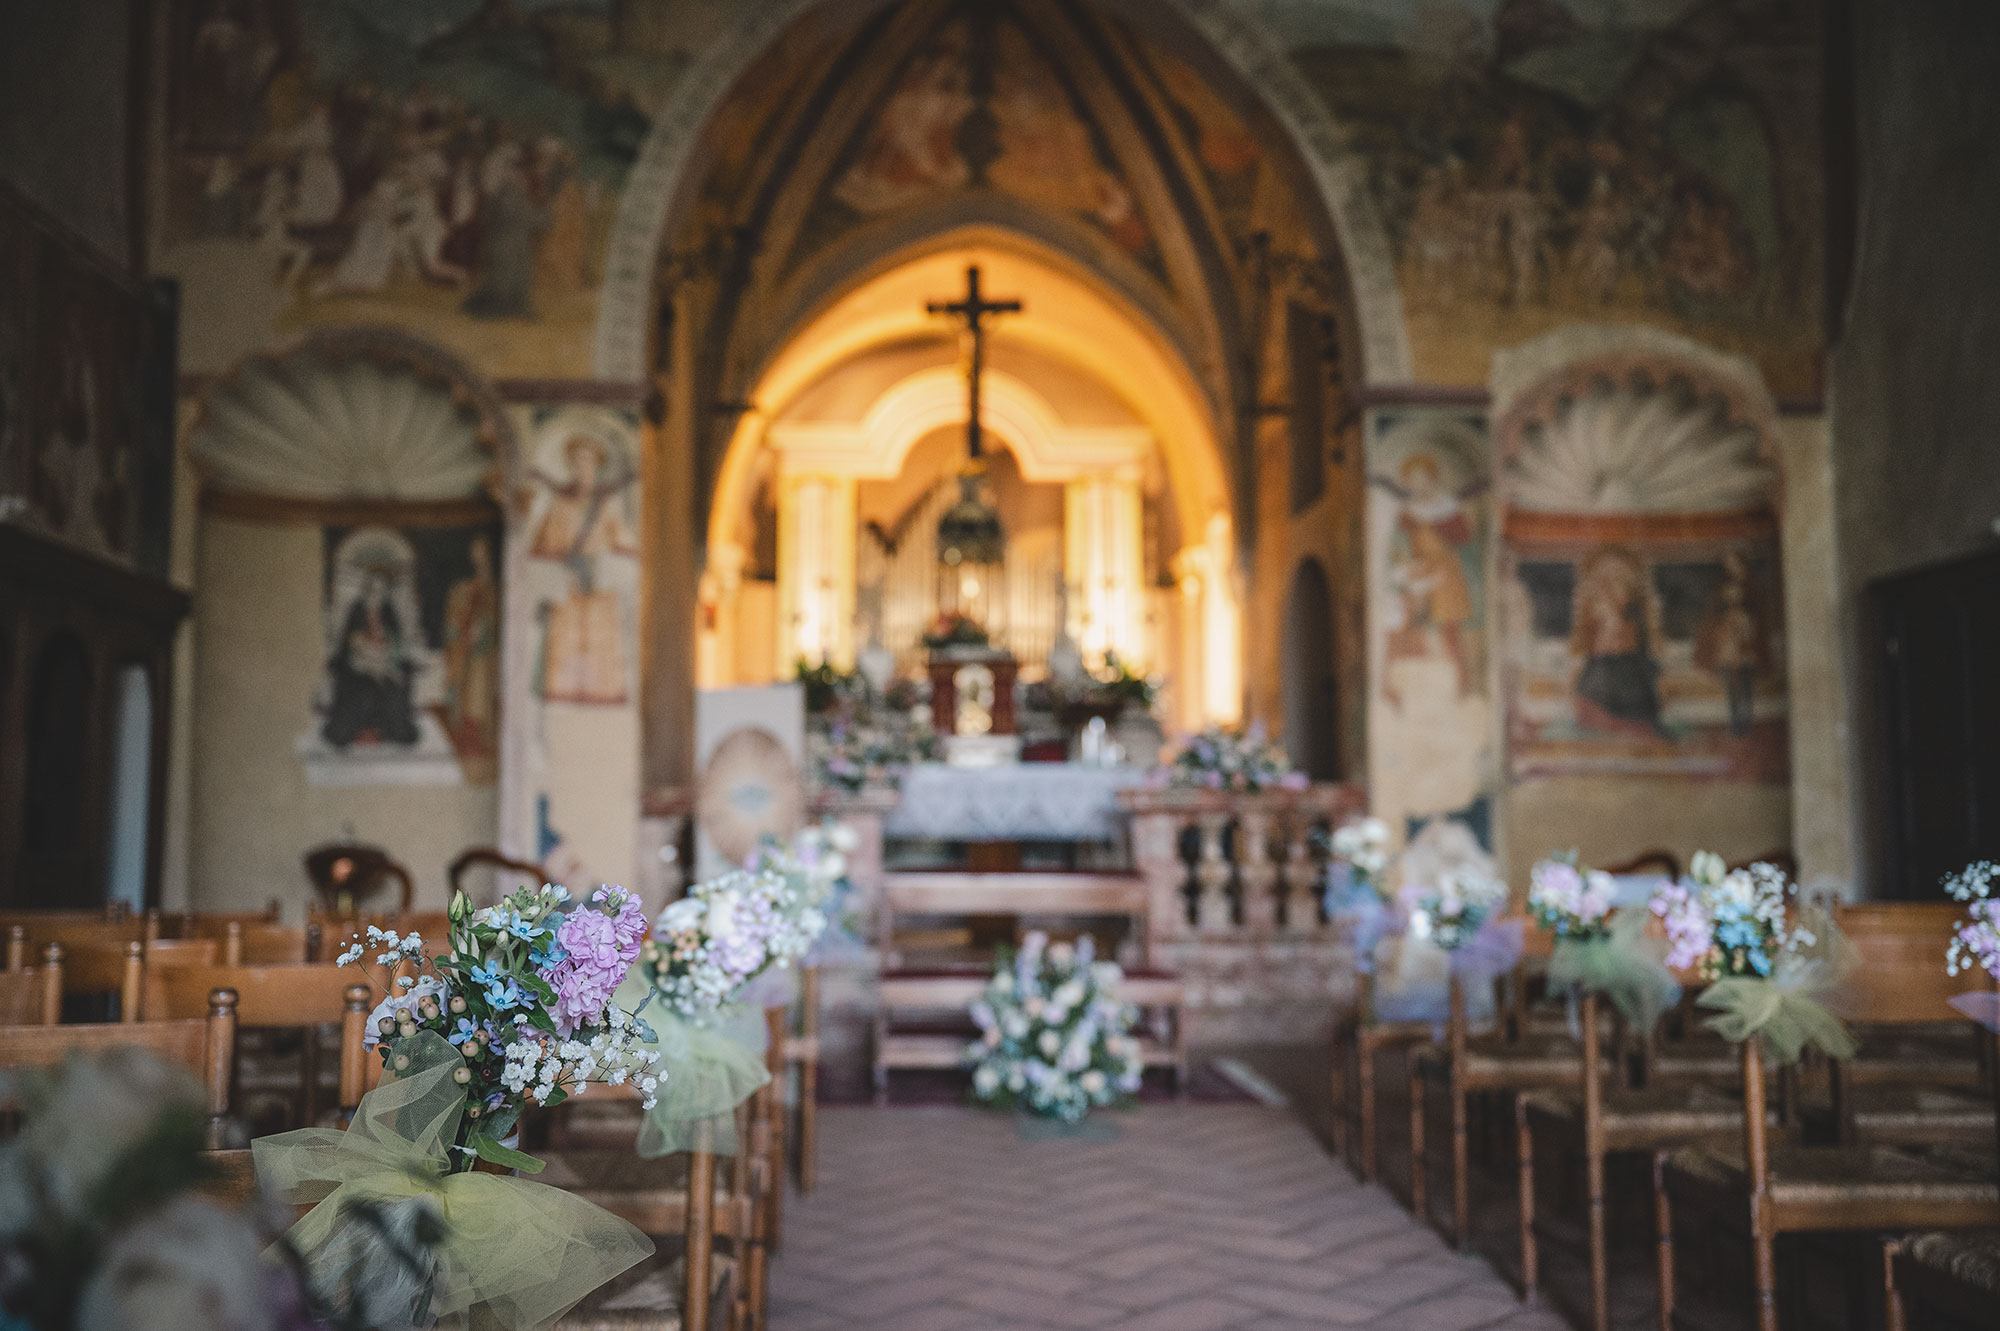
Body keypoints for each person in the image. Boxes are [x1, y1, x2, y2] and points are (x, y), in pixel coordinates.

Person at [1569, 546, 1666, 735]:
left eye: (1619, 580)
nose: (1611, 587)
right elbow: (1582, 646)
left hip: (1633, 672)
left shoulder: (1638, 611)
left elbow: (1649, 647)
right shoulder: (1594, 609)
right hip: (1600, 673)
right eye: (1605, 580)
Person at [322, 572, 419, 748]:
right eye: (373, 591)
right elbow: (348, 651)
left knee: (397, 684)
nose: (376, 596)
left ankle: (385, 731)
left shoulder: (388, 613)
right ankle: (357, 731)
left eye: (380, 591)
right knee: (360, 691)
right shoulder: (356, 612)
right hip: (356, 673)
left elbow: (396, 650)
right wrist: (363, 659)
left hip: (385, 669)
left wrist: (387, 656)